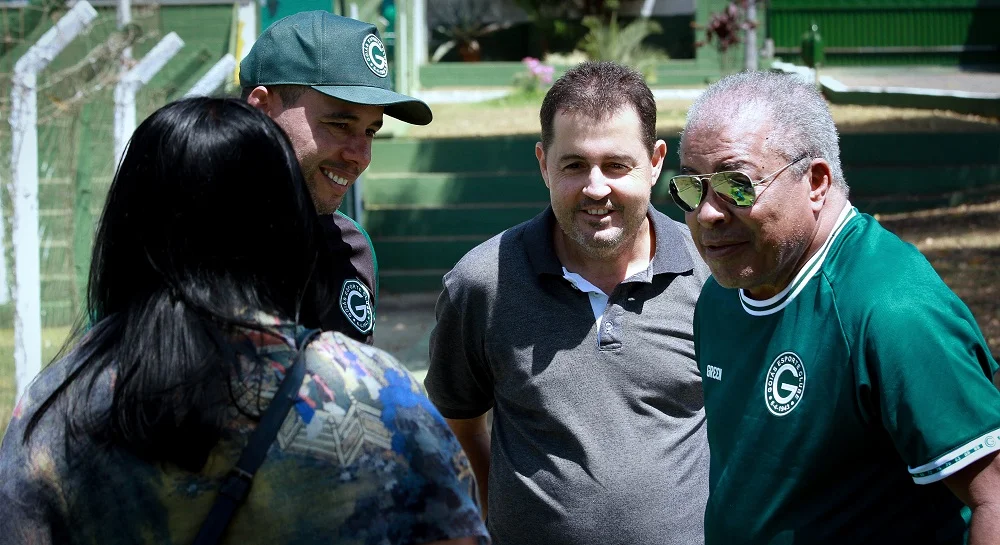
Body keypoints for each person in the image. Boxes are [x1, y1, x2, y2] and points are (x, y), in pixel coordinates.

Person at [0, 98, 487, 545]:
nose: (360, 153)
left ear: (127, 224)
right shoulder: (378, 394)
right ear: (289, 225)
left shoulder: (55, 407)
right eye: (339, 123)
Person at [672, 71, 1000, 544]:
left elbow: (993, 495)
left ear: (816, 182)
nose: (707, 213)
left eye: (736, 185)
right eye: (691, 188)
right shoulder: (724, 292)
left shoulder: (890, 309)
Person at [424, 61, 711, 545]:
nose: (596, 188)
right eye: (574, 165)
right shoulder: (481, 283)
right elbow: (458, 422)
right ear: (542, 163)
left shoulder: (711, 279)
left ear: (657, 160)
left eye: (617, 165)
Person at [241, 10, 433, 344]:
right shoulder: (179, 236)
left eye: (370, 131)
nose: (360, 155)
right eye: (339, 125)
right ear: (262, 108)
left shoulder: (351, 247)